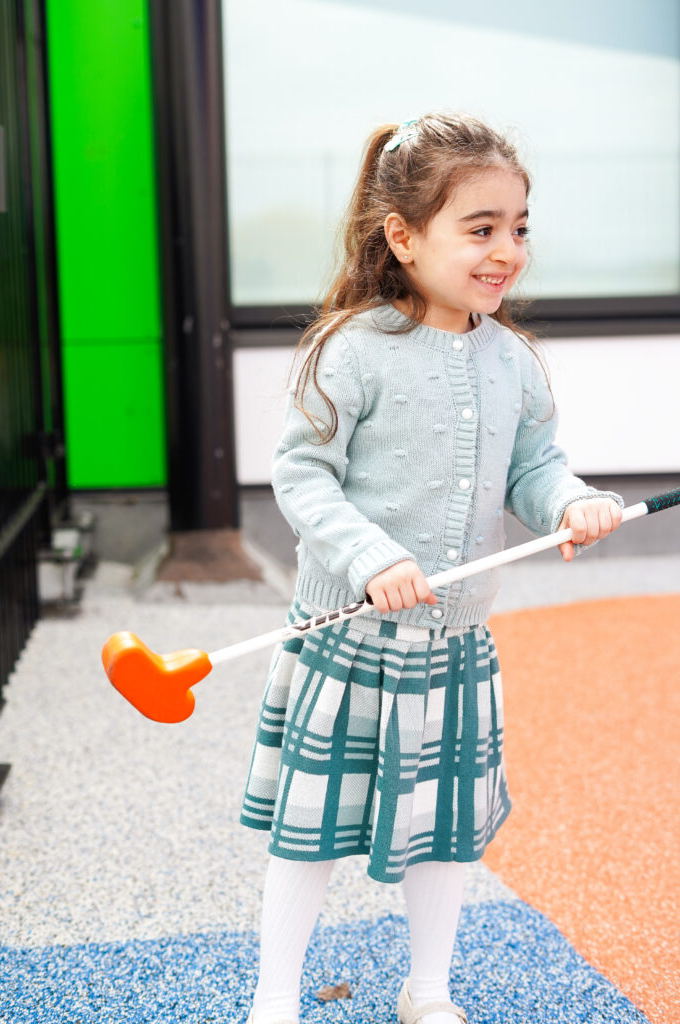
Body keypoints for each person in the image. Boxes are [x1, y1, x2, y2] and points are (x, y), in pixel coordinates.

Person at [240, 112, 624, 1024]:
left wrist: (570, 502)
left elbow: (533, 468)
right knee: (308, 834)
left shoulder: (514, 361)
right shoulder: (349, 348)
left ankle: (429, 991)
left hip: (453, 646)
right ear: (403, 237)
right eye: (480, 228)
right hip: (350, 640)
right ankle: (274, 1000)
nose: (507, 251)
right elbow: (302, 474)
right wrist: (369, 555)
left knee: (445, 837)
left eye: (518, 228)